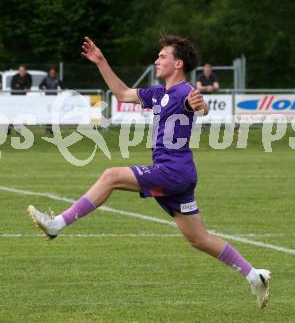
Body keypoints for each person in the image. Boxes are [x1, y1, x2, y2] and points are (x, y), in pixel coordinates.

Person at [27, 35, 271, 308]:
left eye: (163, 56)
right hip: (178, 173)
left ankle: (56, 225)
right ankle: (254, 275)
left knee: (111, 176)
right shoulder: (159, 93)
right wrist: (100, 61)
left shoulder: (184, 92)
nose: (157, 60)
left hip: (172, 171)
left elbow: (198, 106)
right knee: (198, 239)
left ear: (178, 63)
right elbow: (122, 94)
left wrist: (201, 106)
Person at [39, 67, 64, 135]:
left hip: (55, 99)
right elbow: (40, 86)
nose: (52, 74)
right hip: (47, 99)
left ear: (55, 73)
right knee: (48, 114)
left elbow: (63, 87)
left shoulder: (57, 79)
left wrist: (61, 91)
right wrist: (44, 88)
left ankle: (52, 128)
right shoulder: (46, 79)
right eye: (51, 72)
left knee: (54, 114)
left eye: (53, 72)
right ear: (49, 73)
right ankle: (48, 127)